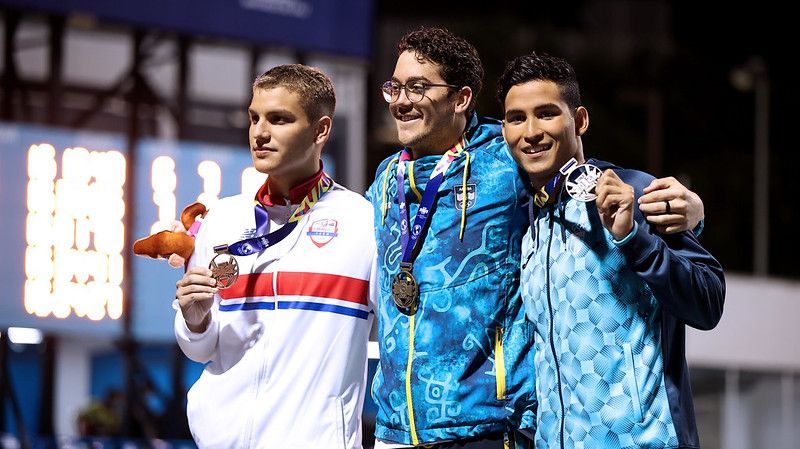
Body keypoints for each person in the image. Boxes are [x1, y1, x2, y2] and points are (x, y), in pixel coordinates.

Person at [366, 27, 706, 448]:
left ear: (461, 99)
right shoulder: (384, 181)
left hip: (490, 427)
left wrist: (686, 212)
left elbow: (582, 175)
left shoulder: (507, 163)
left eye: (416, 87)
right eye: (394, 87)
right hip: (395, 429)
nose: (401, 100)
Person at [496, 51, 725, 449]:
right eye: (517, 118)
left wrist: (635, 240)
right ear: (504, 131)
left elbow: (708, 302)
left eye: (547, 113)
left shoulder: (635, 191)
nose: (530, 131)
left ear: (580, 120)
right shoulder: (525, 223)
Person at [173, 64, 377, 449]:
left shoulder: (363, 222)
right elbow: (199, 349)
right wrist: (195, 321)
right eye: (254, 118)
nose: (259, 133)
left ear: (321, 130)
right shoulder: (222, 220)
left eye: (279, 119)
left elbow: (400, 343)